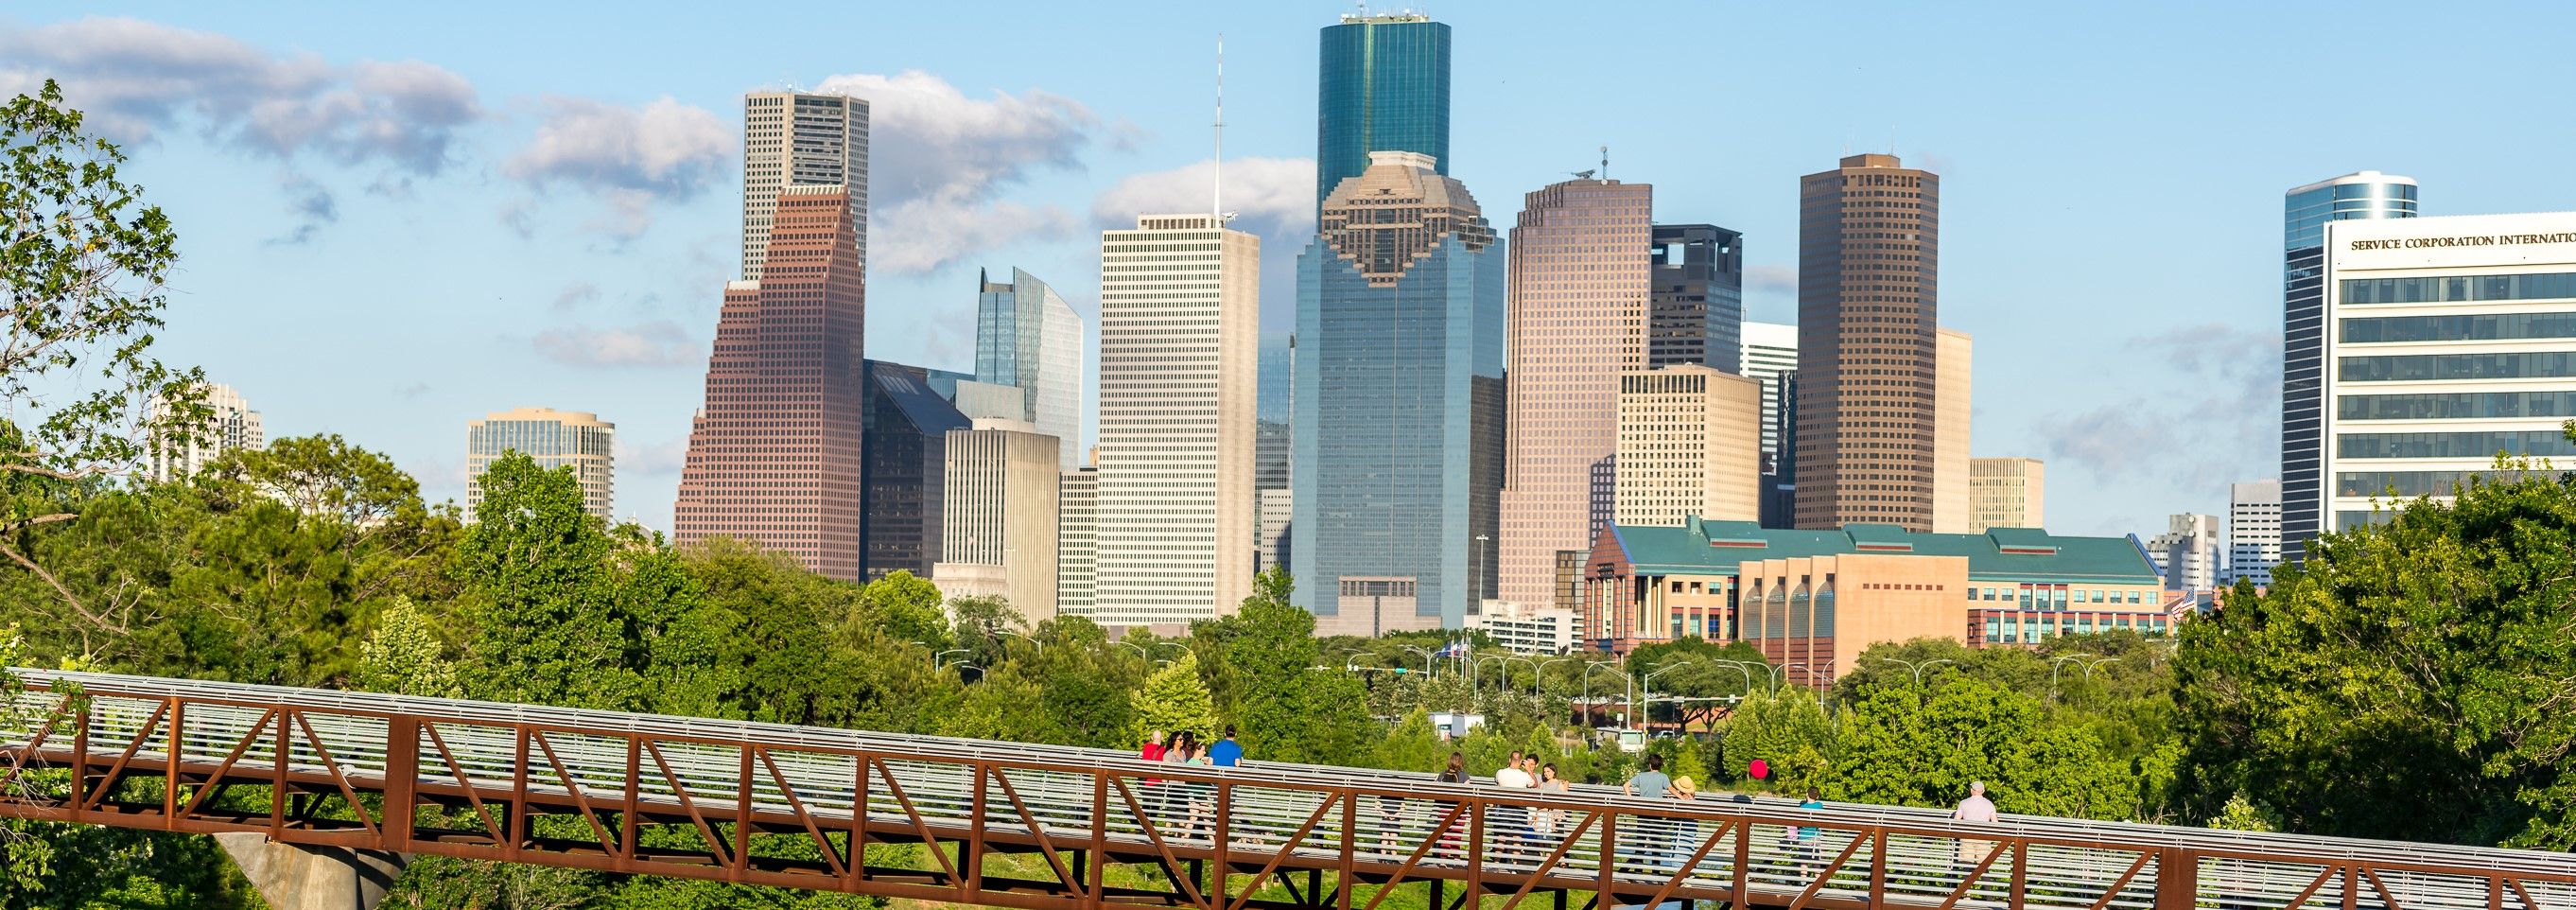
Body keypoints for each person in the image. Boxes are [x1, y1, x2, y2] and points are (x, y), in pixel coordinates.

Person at [1952, 781, 1998, 872]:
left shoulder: (1963, 803)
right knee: (1984, 868)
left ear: (1971, 790)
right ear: (1983, 791)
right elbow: (1995, 823)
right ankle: (1987, 886)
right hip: (1984, 839)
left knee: (1966, 867)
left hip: (1967, 837)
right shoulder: (1990, 804)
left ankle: (1965, 886)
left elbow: (1956, 821)